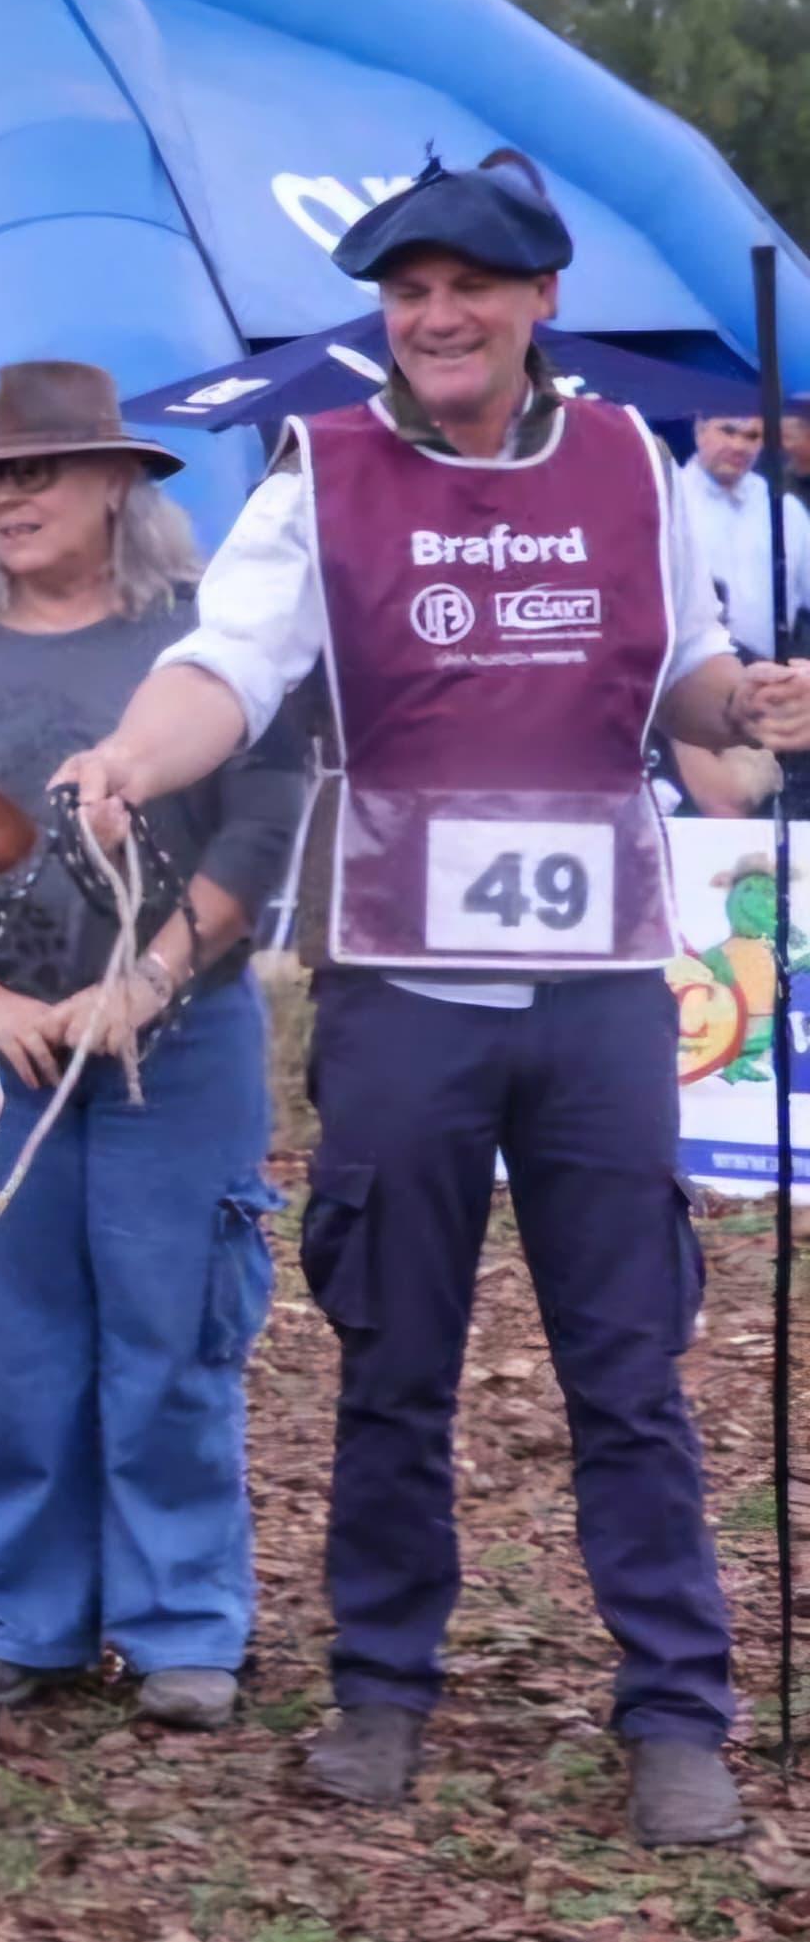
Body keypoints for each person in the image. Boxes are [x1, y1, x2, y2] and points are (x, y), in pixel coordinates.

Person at [60, 153, 810, 1846]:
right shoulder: (321, 467)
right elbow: (226, 670)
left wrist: (750, 696)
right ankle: (383, 1686)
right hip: (402, 982)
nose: (437, 314)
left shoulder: (629, 457)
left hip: (607, 983)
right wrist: (128, 752)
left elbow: (677, 673)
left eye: (471, 284)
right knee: (395, 1353)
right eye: (408, 290)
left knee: (630, 1360)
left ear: (542, 301)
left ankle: (678, 1708)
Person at [0, 363, 305, 1731]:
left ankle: (186, 1622)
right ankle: (24, 1613)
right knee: (12, 1338)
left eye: (37, 472)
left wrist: (156, 973)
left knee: (174, 1330)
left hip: (177, 1048)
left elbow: (264, 823)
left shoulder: (205, 649)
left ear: (118, 482)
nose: (5, 498)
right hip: (3, 1054)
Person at [681, 411, 805, 665]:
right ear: (699, 430)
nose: (738, 446)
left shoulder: (784, 508)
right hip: (688, 681)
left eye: (751, 436)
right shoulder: (668, 500)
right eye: (727, 431)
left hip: (771, 678)